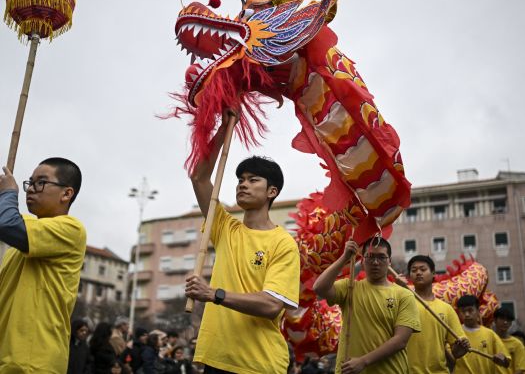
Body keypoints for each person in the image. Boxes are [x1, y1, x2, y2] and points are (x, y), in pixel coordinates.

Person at [185, 113, 300, 374]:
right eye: (240, 180)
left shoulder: (283, 243)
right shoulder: (225, 227)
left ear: (272, 191)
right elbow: (199, 178)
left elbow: (272, 305)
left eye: (253, 180)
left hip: (259, 365)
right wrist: (225, 127)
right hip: (215, 359)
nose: (243, 185)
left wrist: (213, 294)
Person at [0, 157, 86, 373]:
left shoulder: (71, 229)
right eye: (30, 182)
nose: (30, 189)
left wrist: (8, 193)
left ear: (67, 193)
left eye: (41, 182)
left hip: (34, 362)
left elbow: (7, 223)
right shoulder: (20, 241)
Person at [313, 237, 421, 374]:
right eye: (370, 257)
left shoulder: (404, 295)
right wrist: (344, 257)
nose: (375, 262)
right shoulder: (350, 287)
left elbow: (400, 340)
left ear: (389, 261)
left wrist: (363, 361)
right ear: (362, 261)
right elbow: (319, 288)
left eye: (381, 257)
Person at [405, 255, 470, 373]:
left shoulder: (446, 309)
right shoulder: (403, 304)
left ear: (433, 273)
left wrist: (461, 347)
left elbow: (456, 351)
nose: (418, 273)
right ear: (410, 276)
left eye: (423, 269)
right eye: (414, 270)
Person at [454, 295, 510, 374]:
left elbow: (507, 362)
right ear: (459, 313)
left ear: (478, 311)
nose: (466, 314)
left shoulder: (490, 334)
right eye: (463, 311)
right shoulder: (455, 333)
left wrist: (503, 359)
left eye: (470, 310)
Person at [493, 307, 525, 374]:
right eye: (502, 318)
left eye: (508, 320)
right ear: (495, 320)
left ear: (511, 323)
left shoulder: (517, 344)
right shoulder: (489, 340)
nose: (505, 322)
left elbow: (520, 369)